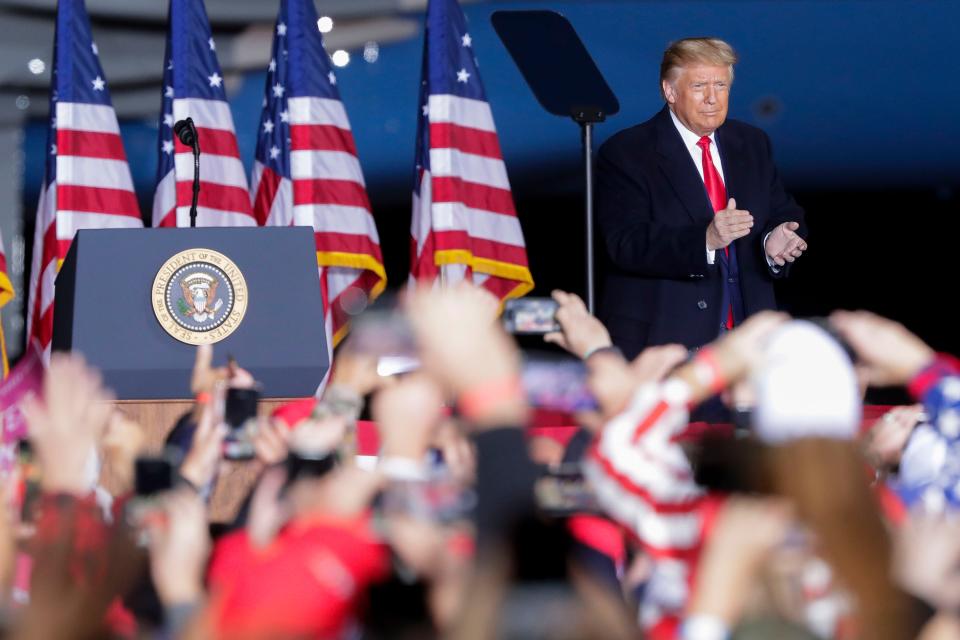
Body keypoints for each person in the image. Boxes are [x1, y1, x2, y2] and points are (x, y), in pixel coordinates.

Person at [595, 37, 808, 359]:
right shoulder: (628, 152)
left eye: (721, 85)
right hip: (666, 343)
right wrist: (705, 239)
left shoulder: (751, 143)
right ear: (670, 91)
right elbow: (625, 244)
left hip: (748, 347)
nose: (712, 99)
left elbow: (783, 212)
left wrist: (774, 242)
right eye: (699, 86)